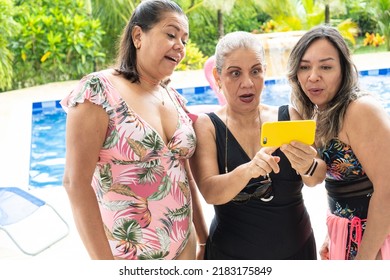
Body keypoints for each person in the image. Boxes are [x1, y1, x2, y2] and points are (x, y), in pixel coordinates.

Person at [60, 0, 208, 260]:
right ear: (138, 35)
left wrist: (204, 239)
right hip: (127, 258)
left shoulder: (174, 97)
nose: (180, 47)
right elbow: (75, 184)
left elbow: (184, 173)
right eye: (171, 34)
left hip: (185, 247)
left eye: (184, 40)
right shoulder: (99, 92)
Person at [189, 31, 326, 260]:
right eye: (235, 73)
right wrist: (250, 169)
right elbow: (210, 192)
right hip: (230, 258)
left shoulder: (288, 115)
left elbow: (316, 177)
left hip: (297, 253)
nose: (248, 83)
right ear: (218, 76)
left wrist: (308, 165)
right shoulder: (208, 125)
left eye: (255, 71)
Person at [287, 25, 390, 260]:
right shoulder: (320, 112)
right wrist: (333, 234)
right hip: (348, 235)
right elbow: (339, 186)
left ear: (343, 69)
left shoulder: (361, 110)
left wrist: (364, 260)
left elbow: (387, 190)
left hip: (377, 241)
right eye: (304, 67)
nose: (313, 76)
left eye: (326, 66)